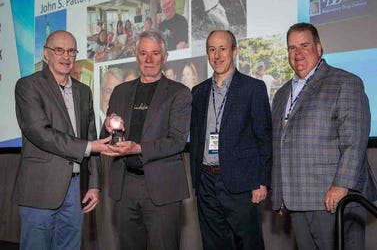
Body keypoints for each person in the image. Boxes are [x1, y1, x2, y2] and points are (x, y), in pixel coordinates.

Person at [271, 22, 377, 250]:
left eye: (304, 45)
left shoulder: (345, 83)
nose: (297, 53)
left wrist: (341, 184)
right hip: (297, 200)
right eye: (291, 48)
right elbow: (280, 144)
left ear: (319, 48)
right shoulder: (281, 95)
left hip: (333, 198)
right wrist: (280, 193)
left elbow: (354, 140)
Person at [13, 30, 111, 250]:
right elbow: (40, 132)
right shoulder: (27, 86)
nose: (66, 56)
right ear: (46, 53)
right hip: (40, 189)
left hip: (77, 188)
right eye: (59, 50)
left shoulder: (84, 91)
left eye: (71, 51)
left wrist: (94, 184)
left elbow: (91, 137)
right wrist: (88, 147)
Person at [101, 30, 192, 250]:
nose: (149, 60)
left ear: (165, 57)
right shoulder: (121, 92)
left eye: (155, 53)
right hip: (125, 185)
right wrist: (107, 124)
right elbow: (106, 136)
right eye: (143, 53)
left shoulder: (179, 93)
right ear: (136, 55)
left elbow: (177, 140)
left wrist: (138, 148)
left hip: (162, 187)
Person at [190, 30, 272, 250]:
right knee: (213, 245)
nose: (217, 55)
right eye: (212, 49)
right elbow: (197, 139)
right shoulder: (198, 92)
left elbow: (263, 136)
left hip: (243, 183)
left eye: (223, 49)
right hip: (206, 182)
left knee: (249, 244)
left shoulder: (253, 88)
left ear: (234, 51)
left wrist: (262, 181)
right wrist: (196, 181)